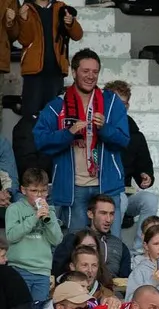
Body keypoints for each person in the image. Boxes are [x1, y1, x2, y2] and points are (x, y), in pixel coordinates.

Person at [33, 49, 130, 230]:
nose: (90, 76)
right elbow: (40, 140)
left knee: (110, 245)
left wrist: (105, 129)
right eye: (85, 71)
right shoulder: (57, 106)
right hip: (74, 187)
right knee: (77, 245)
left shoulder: (112, 103)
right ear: (74, 72)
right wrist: (67, 133)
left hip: (106, 186)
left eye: (95, 72)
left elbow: (124, 140)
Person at [103, 80, 159, 249]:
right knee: (120, 199)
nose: (122, 107)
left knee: (150, 200)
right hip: (98, 194)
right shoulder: (96, 129)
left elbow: (144, 168)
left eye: (125, 104)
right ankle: (114, 248)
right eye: (117, 103)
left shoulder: (135, 136)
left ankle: (139, 251)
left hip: (123, 195)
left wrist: (145, 176)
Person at [4, 168, 63, 301]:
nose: (39, 195)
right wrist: (34, 217)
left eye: (43, 191)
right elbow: (12, 236)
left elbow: (57, 239)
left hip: (42, 271)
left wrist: (48, 219)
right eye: (34, 191)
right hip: (20, 268)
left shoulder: (50, 210)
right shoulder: (15, 209)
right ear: (24, 190)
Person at [16, 0, 82, 117]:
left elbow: (77, 35)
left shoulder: (61, 7)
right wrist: (23, 19)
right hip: (33, 72)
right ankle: (29, 135)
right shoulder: (27, 8)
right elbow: (24, 40)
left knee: (54, 114)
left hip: (56, 70)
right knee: (30, 114)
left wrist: (70, 23)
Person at [50, 194, 131, 281]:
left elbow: (125, 279)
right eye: (103, 213)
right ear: (90, 214)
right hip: (78, 289)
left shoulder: (120, 246)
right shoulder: (73, 238)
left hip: (110, 291)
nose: (108, 219)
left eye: (111, 214)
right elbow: (58, 271)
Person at [126, 224, 159, 302]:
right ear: (146, 246)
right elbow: (130, 301)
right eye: (156, 244)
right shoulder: (139, 272)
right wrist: (152, 282)